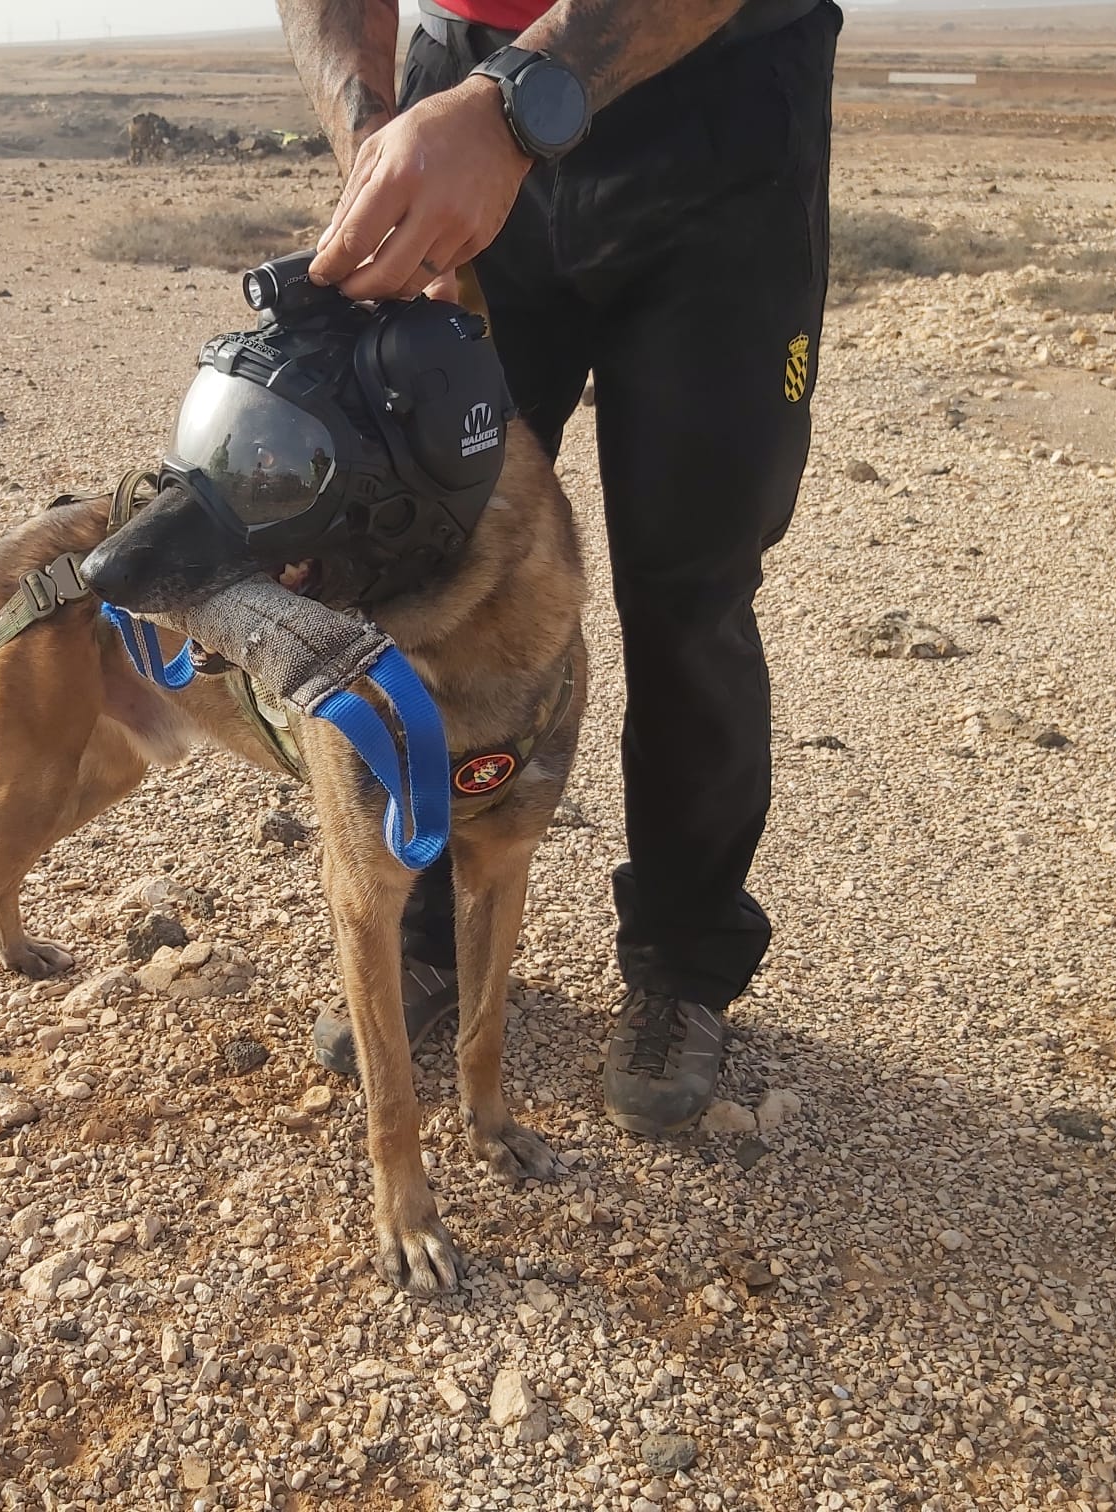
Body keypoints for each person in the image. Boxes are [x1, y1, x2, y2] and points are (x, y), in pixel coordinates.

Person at [280, 0, 842, 1135]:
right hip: (456, 90)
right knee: (413, 552)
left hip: (716, 98)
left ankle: (682, 964)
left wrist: (509, 113)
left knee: (690, 592)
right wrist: (381, 151)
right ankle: (428, 929)